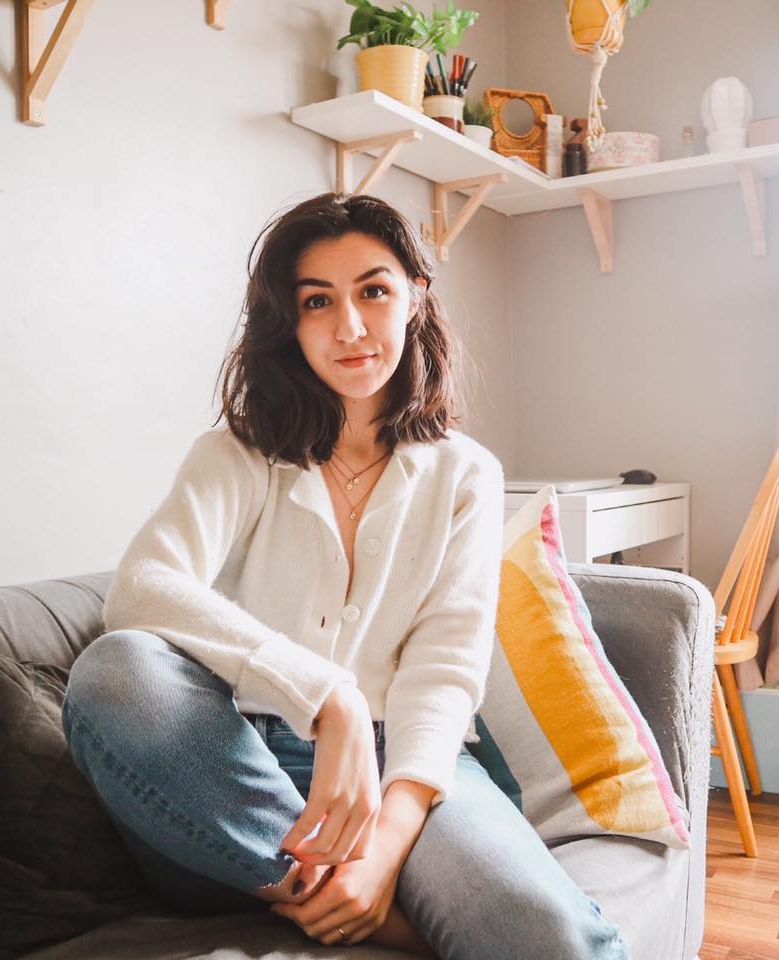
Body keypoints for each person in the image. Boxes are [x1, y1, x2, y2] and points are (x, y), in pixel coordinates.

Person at [62, 192, 629, 960]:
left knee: (549, 934)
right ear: (287, 324)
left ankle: (372, 901)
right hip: (231, 770)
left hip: (408, 769)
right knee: (114, 671)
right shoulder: (239, 453)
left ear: (414, 298)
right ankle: (377, 917)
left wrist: (389, 841)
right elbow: (144, 588)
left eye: (373, 290)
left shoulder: (466, 474)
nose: (350, 327)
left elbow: (445, 666)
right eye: (316, 302)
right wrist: (331, 700)